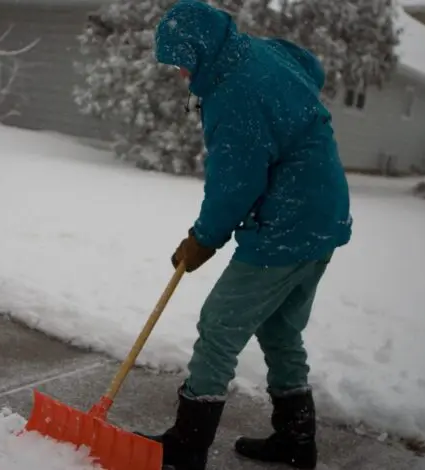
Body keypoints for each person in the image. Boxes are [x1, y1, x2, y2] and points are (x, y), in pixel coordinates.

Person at [137, 1, 353, 469]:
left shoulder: (234, 96)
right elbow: (308, 67)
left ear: (199, 50)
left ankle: (186, 446)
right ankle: (296, 440)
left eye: (181, 61)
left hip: (289, 223)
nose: (180, 73)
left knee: (219, 326)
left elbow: (236, 183)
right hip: (325, 212)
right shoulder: (257, 52)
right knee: (280, 329)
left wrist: (204, 238)